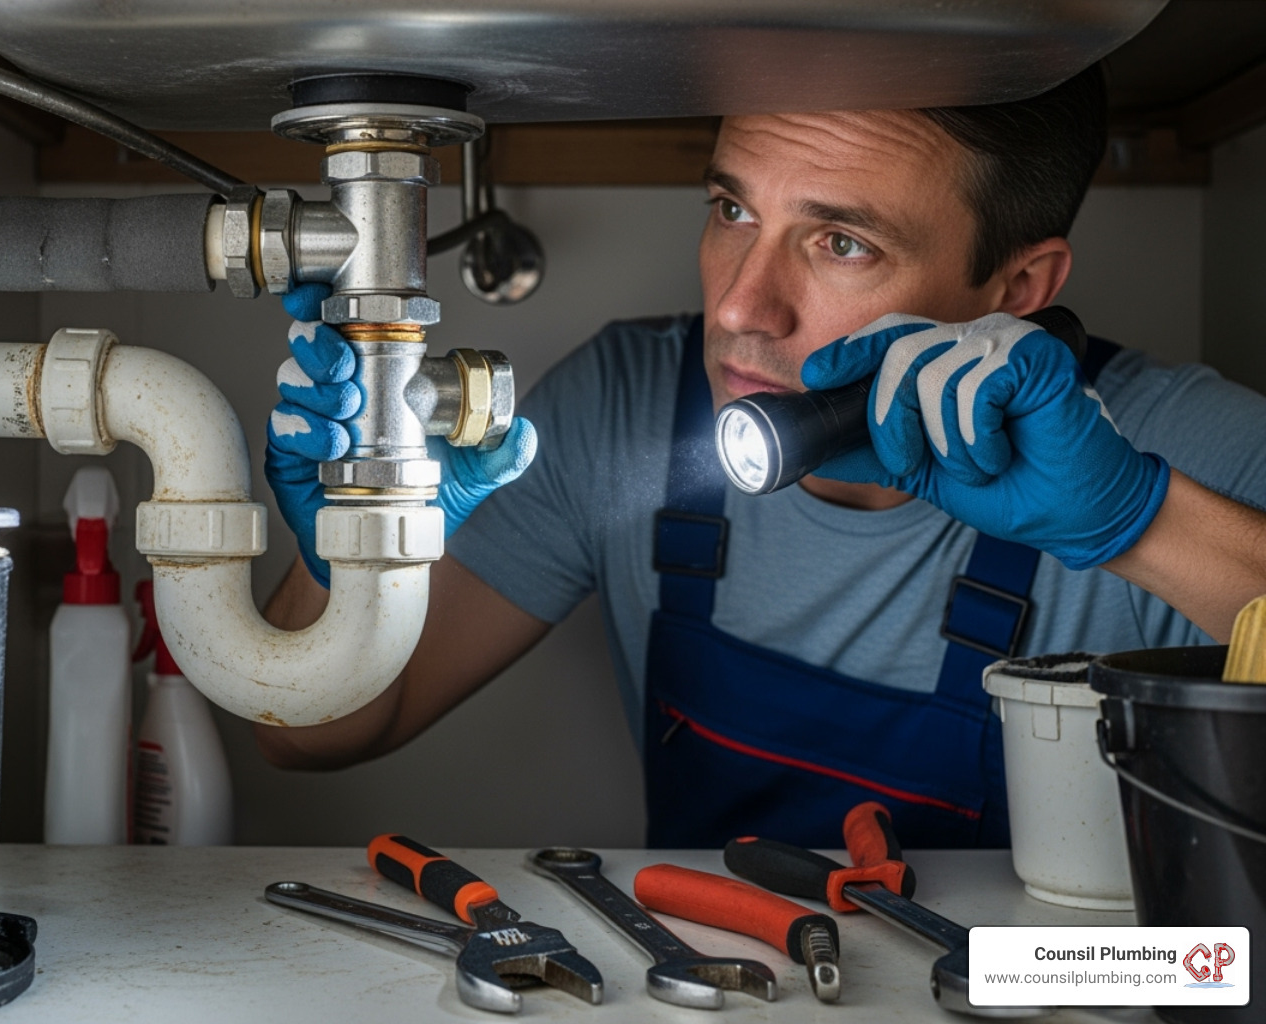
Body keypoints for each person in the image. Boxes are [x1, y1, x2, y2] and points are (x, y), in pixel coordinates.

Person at [255, 64, 1266, 849]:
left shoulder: (1182, 448)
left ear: (1017, 286)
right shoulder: (623, 411)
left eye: (842, 243)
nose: (739, 305)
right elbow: (313, 732)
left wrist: (1138, 521)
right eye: (734, 209)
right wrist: (353, 541)